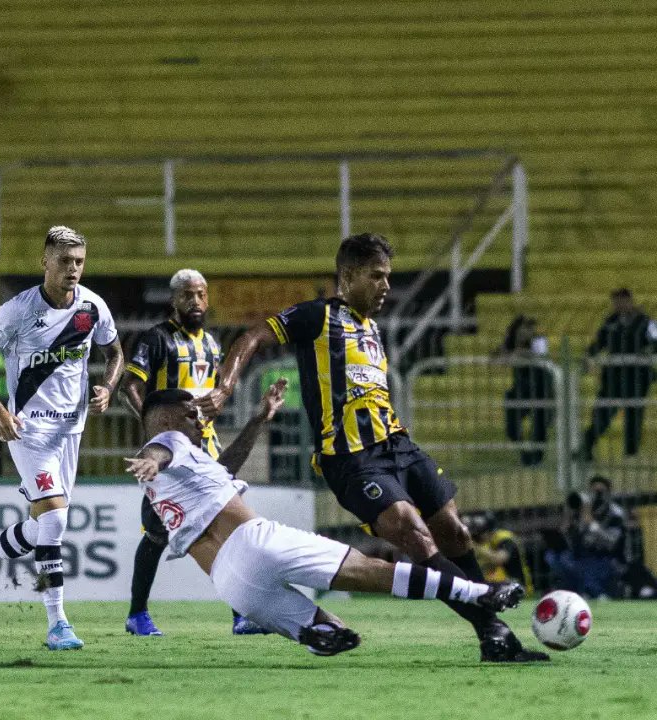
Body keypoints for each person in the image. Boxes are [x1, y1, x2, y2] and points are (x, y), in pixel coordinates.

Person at [195, 232, 549, 662]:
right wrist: (227, 385)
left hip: (398, 446)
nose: (386, 286)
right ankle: (492, 627)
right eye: (376, 276)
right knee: (413, 534)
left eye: (388, 277)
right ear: (347, 276)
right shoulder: (317, 317)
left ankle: (492, 634)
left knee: (454, 531)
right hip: (351, 458)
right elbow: (253, 337)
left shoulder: (373, 328)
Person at [125, 385, 524, 656]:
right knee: (372, 571)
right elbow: (164, 448)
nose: (201, 421)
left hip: (231, 586)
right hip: (256, 542)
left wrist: (259, 419)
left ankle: (316, 633)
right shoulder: (169, 442)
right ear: (166, 420)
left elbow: (222, 469)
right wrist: (152, 457)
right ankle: (478, 594)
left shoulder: (173, 478)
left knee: (335, 631)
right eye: (193, 414)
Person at [0, 226, 123, 651]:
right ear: (44, 262)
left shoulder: (92, 307)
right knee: (54, 521)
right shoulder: (18, 310)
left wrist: (108, 385)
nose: (73, 269)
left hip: (71, 430)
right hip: (28, 429)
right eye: (65, 261)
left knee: (40, 526)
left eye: (79, 262)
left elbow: (115, 352)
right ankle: (57, 623)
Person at [119, 269, 266, 636]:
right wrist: (156, 429)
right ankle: (137, 614)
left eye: (200, 295)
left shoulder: (212, 345)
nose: (195, 302)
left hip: (206, 450)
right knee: (156, 534)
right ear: (174, 300)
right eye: (187, 296)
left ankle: (241, 613)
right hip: (170, 455)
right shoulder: (157, 339)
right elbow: (129, 386)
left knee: (225, 527)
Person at [580, 288, 657, 460]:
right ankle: (587, 443)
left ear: (630, 301)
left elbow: (655, 342)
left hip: (637, 376)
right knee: (602, 413)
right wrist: (588, 355)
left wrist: (647, 352)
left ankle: (631, 453)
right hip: (613, 377)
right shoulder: (610, 322)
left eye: (622, 301)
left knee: (634, 416)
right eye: (616, 302)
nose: (619, 305)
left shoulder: (646, 322)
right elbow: (599, 343)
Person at [545, 475, 627, 598]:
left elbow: (611, 543)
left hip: (605, 556)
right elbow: (571, 539)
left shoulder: (615, 513)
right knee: (553, 556)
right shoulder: (582, 509)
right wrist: (568, 522)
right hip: (581, 554)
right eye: (594, 491)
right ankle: (569, 592)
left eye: (600, 492)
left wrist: (591, 523)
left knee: (589, 565)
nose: (596, 495)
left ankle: (596, 593)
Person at [494, 315, 554, 466]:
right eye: (524, 329)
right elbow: (496, 360)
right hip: (521, 390)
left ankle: (536, 458)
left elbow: (541, 357)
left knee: (540, 426)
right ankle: (525, 454)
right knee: (512, 427)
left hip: (542, 389)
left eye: (530, 329)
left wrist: (518, 354)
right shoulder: (511, 343)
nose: (527, 332)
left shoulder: (539, 340)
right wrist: (508, 353)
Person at [466, 511, 533, 596]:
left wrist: (474, 546)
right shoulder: (485, 543)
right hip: (497, 588)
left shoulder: (504, 537)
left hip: (518, 589)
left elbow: (499, 559)